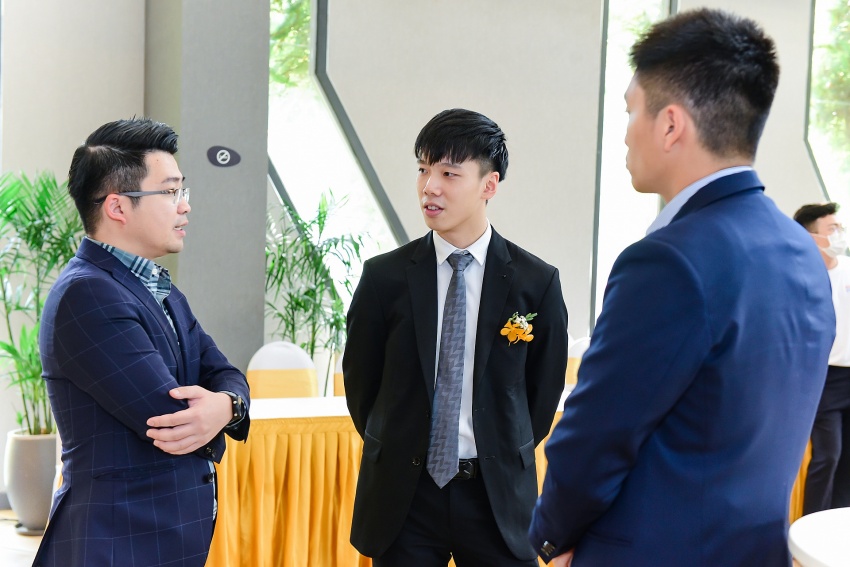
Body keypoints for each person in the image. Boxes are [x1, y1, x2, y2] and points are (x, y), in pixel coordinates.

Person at [528, 9, 835, 567]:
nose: (625, 131)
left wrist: (552, 535)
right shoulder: (800, 251)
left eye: (631, 110)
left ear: (670, 125)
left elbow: (596, 434)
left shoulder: (669, 260)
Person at [343, 108, 569, 566]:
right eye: (423, 169)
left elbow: (541, 396)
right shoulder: (384, 278)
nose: (430, 186)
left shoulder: (536, 282)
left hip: (496, 499)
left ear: (489, 185)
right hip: (405, 499)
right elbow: (362, 387)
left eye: (448, 173)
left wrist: (501, 449)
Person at [33, 118, 250, 567]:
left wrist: (226, 405)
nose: (185, 206)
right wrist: (220, 409)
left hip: (156, 540)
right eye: (170, 192)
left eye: (182, 190)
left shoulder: (159, 288)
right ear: (117, 206)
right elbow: (171, 419)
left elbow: (225, 372)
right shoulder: (86, 293)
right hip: (115, 542)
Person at [794, 202, 850, 514]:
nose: (840, 234)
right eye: (832, 229)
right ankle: (811, 524)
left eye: (840, 227)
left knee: (847, 459)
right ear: (812, 237)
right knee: (828, 455)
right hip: (823, 377)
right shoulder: (800, 277)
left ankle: (839, 524)